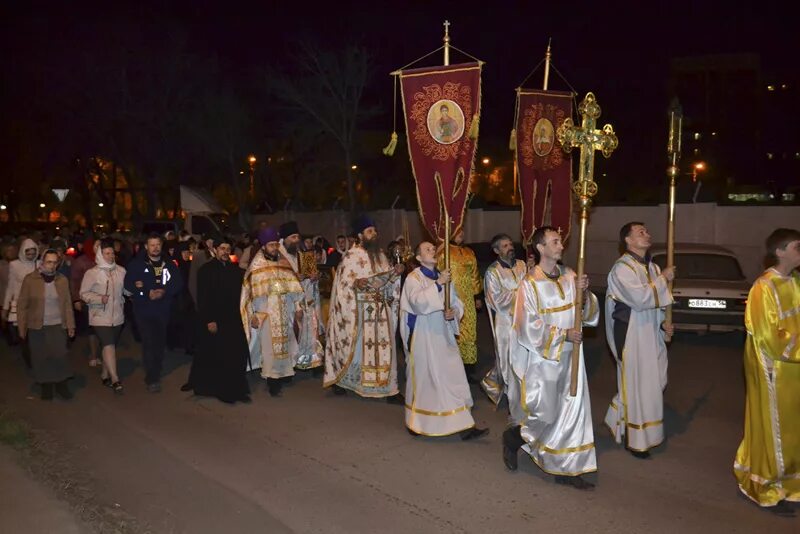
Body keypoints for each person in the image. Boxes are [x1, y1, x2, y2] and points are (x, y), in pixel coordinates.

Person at [502, 226, 600, 490]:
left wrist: (586, 293)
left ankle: (567, 469)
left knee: (572, 413)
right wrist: (562, 335)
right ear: (541, 248)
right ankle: (514, 437)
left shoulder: (570, 276)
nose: (560, 245)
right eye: (554, 241)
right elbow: (527, 326)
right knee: (544, 414)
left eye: (560, 241)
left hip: (572, 357)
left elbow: (588, 314)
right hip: (544, 358)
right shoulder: (530, 283)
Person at [733, 228, 800, 517]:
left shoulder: (795, 282)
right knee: (772, 429)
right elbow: (769, 337)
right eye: (797, 247)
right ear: (780, 251)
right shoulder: (764, 287)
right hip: (773, 369)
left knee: (792, 429)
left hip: (794, 372)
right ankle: (767, 488)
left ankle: (791, 484)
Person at [401, 241, 489, 440]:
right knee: (427, 379)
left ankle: (464, 424)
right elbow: (417, 303)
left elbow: (456, 301)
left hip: (443, 333)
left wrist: (454, 312)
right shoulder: (413, 278)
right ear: (418, 257)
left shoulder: (443, 276)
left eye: (433, 248)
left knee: (453, 375)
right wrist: (438, 284)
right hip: (424, 335)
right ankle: (418, 420)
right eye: (427, 249)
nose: (432, 251)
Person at [603, 222, 674, 458]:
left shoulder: (652, 267)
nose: (647, 234)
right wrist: (664, 279)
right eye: (640, 232)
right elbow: (641, 299)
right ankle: (636, 439)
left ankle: (617, 416)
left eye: (647, 231)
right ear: (628, 240)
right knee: (636, 383)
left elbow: (659, 303)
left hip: (649, 330)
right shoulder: (622, 268)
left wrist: (665, 321)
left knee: (656, 379)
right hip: (631, 332)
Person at [324, 215, 404, 400]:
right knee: (358, 349)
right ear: (360, 235)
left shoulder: (381, 255)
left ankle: (390, 390)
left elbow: (387, 282)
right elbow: (343, 286)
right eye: (370, 231)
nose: (374, 234)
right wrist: (357, 285)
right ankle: (344, 380)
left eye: (375, 231)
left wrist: (396, 274)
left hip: (381, 311)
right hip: (359, 312)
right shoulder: (351, 257)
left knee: (386, 349)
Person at [184, 236, 251, 404]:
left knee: (237, 354)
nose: (225, 252)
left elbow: (242, 295)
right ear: (214, 250)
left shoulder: (234, 270)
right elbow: (203, 298)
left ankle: (238, 389)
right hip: (215, 320)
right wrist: (209, 320)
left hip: (233, 319)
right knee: (218, 355)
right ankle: (223, 391)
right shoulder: (206, 271)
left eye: (228, 249)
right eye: (222, 249)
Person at [240, 226, 305, 397]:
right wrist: (253, 314)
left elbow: (295, 289)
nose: (275, 248)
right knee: (270, 348)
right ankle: (272, 380)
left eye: (276, 245)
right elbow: (249, 294)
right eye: (271, 245)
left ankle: (285, 373)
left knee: (287, 344)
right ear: (263, 247)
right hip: (266, 313)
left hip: (285, 310)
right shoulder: (256, 266)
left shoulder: (283, 263)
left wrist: (298, 307)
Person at [124, 233, 184, 392]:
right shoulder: (136, 264)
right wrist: (145, 292)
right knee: (149, 342)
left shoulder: (169, 264)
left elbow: (178, 283)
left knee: (159, 342)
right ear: (146, 246)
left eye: (158, 245)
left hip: (162, 309)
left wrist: (165, 292)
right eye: (152, 245)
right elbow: (128, 285)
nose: (155, 248)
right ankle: (152, 377)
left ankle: (156, 367)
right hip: (143, 310)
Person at [17, 249, 76, 400]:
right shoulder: (30, 280)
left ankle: (61, 384)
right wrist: (22, 327)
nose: (52, 266)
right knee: (41, 357)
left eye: (55, 262)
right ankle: (46, 385)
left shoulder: (62, 280)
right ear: (42, 262)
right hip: (37, 325)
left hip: (57, 324)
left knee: (60, 355)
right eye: (49, 262)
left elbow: (67, 304)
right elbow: (22, 304)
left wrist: (70, 325)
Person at [480, 234, 528, 405]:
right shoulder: (493, 272)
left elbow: (531, 287)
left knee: (522, 354)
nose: (510, 247)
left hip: (523, 318)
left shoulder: (522, 265)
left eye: (510, 244)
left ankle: (517, 388)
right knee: (506, 356)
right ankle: (509, 393)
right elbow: (495, 299)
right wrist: (521, 295)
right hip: (505, 321)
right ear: (496, 251)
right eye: (505, 245)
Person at [80, 239, 127, 394]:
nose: (111, 256)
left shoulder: (121, 271)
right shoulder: (92, 273)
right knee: (108, 344)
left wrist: (135, 290)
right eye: (107, 253)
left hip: (117, 315)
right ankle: (115, 379)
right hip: (99, 315)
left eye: (112, 253)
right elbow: (84, 293)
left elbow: (125, 290)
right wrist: (99, 298)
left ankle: (105, 374)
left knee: (110, 345)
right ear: (100, 254)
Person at [436, 228, 482, 382]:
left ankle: (468, 370)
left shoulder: (469, 252)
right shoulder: (444, 251)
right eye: (458, 230)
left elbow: (475, 274)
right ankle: (451, 369)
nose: (462, 233)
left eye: (463, 230)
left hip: (468, 298)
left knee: (469, 332)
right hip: (451, 297)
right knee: (453, 332)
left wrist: (477, 295)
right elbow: (437, 272)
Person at [279, 221, 323, 371]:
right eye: (292, 237)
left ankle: (310, 362)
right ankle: (288, 367)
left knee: (310, 331)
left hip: (305, 301)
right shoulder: (279, 258)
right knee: (290, 336)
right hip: (288, 303)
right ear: (284, 239)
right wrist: (294, 278)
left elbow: (310, 278)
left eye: (297, 237)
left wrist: (314, 278)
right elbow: (277, 281)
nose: (296, 240)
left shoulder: (302, 255)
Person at [2, 238, 39, 364]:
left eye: (33, 252)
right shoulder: (14, 265)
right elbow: (10, 287)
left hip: (37, 305)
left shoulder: (40, 264)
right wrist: (5, 308)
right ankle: (29, 359)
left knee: (36, 333)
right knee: (24, 335)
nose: (31, 255)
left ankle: (36, 358)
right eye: (28, 253)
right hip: (20, 305)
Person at [71, 237, 100, 368]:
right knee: (92, 329)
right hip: (88, 300)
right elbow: (74, 282)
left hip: (103, 300)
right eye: (97, 245)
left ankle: (102, 353)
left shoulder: (105, 260)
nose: (99, 248)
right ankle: (93, 355)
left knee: (102, 329)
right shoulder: (80, 262)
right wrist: (76, 299)